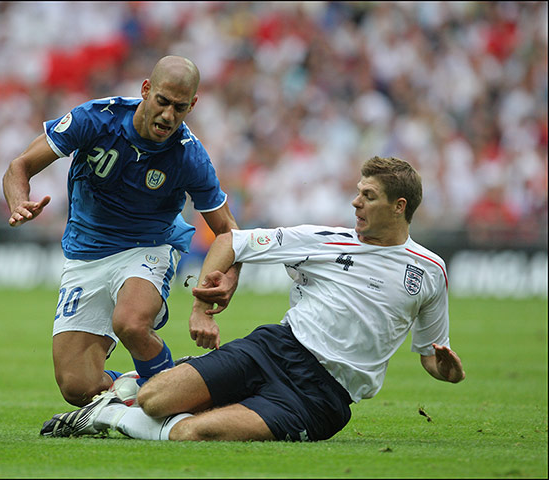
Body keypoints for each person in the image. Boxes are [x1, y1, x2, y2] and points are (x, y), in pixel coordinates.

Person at [39, 156, 465, 441]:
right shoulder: (322, 240)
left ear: (398, 206)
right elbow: (232, 241)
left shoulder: (430, 272)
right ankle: (137, 395)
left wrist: (443, 370)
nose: (355, 202)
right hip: (275, 349)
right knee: (154, 400)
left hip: (320, 399)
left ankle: (106, 414)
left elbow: (430, 354)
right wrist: (202, 307)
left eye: (368, 196)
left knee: (191, 434)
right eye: (358, 191)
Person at [2, 55, 240, 407]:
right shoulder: (96, 120)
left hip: (149, 246)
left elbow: (227, 232)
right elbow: (19, 166)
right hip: (86, 253)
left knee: (130, 322)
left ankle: (177, 398)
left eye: (180, 107)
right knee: (76, 387)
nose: (169, 115)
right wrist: (19, 201)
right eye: (162, 101)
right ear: (146, 90)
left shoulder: (190, 157)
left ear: (193, 105)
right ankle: (162, 380)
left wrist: (218, 290)